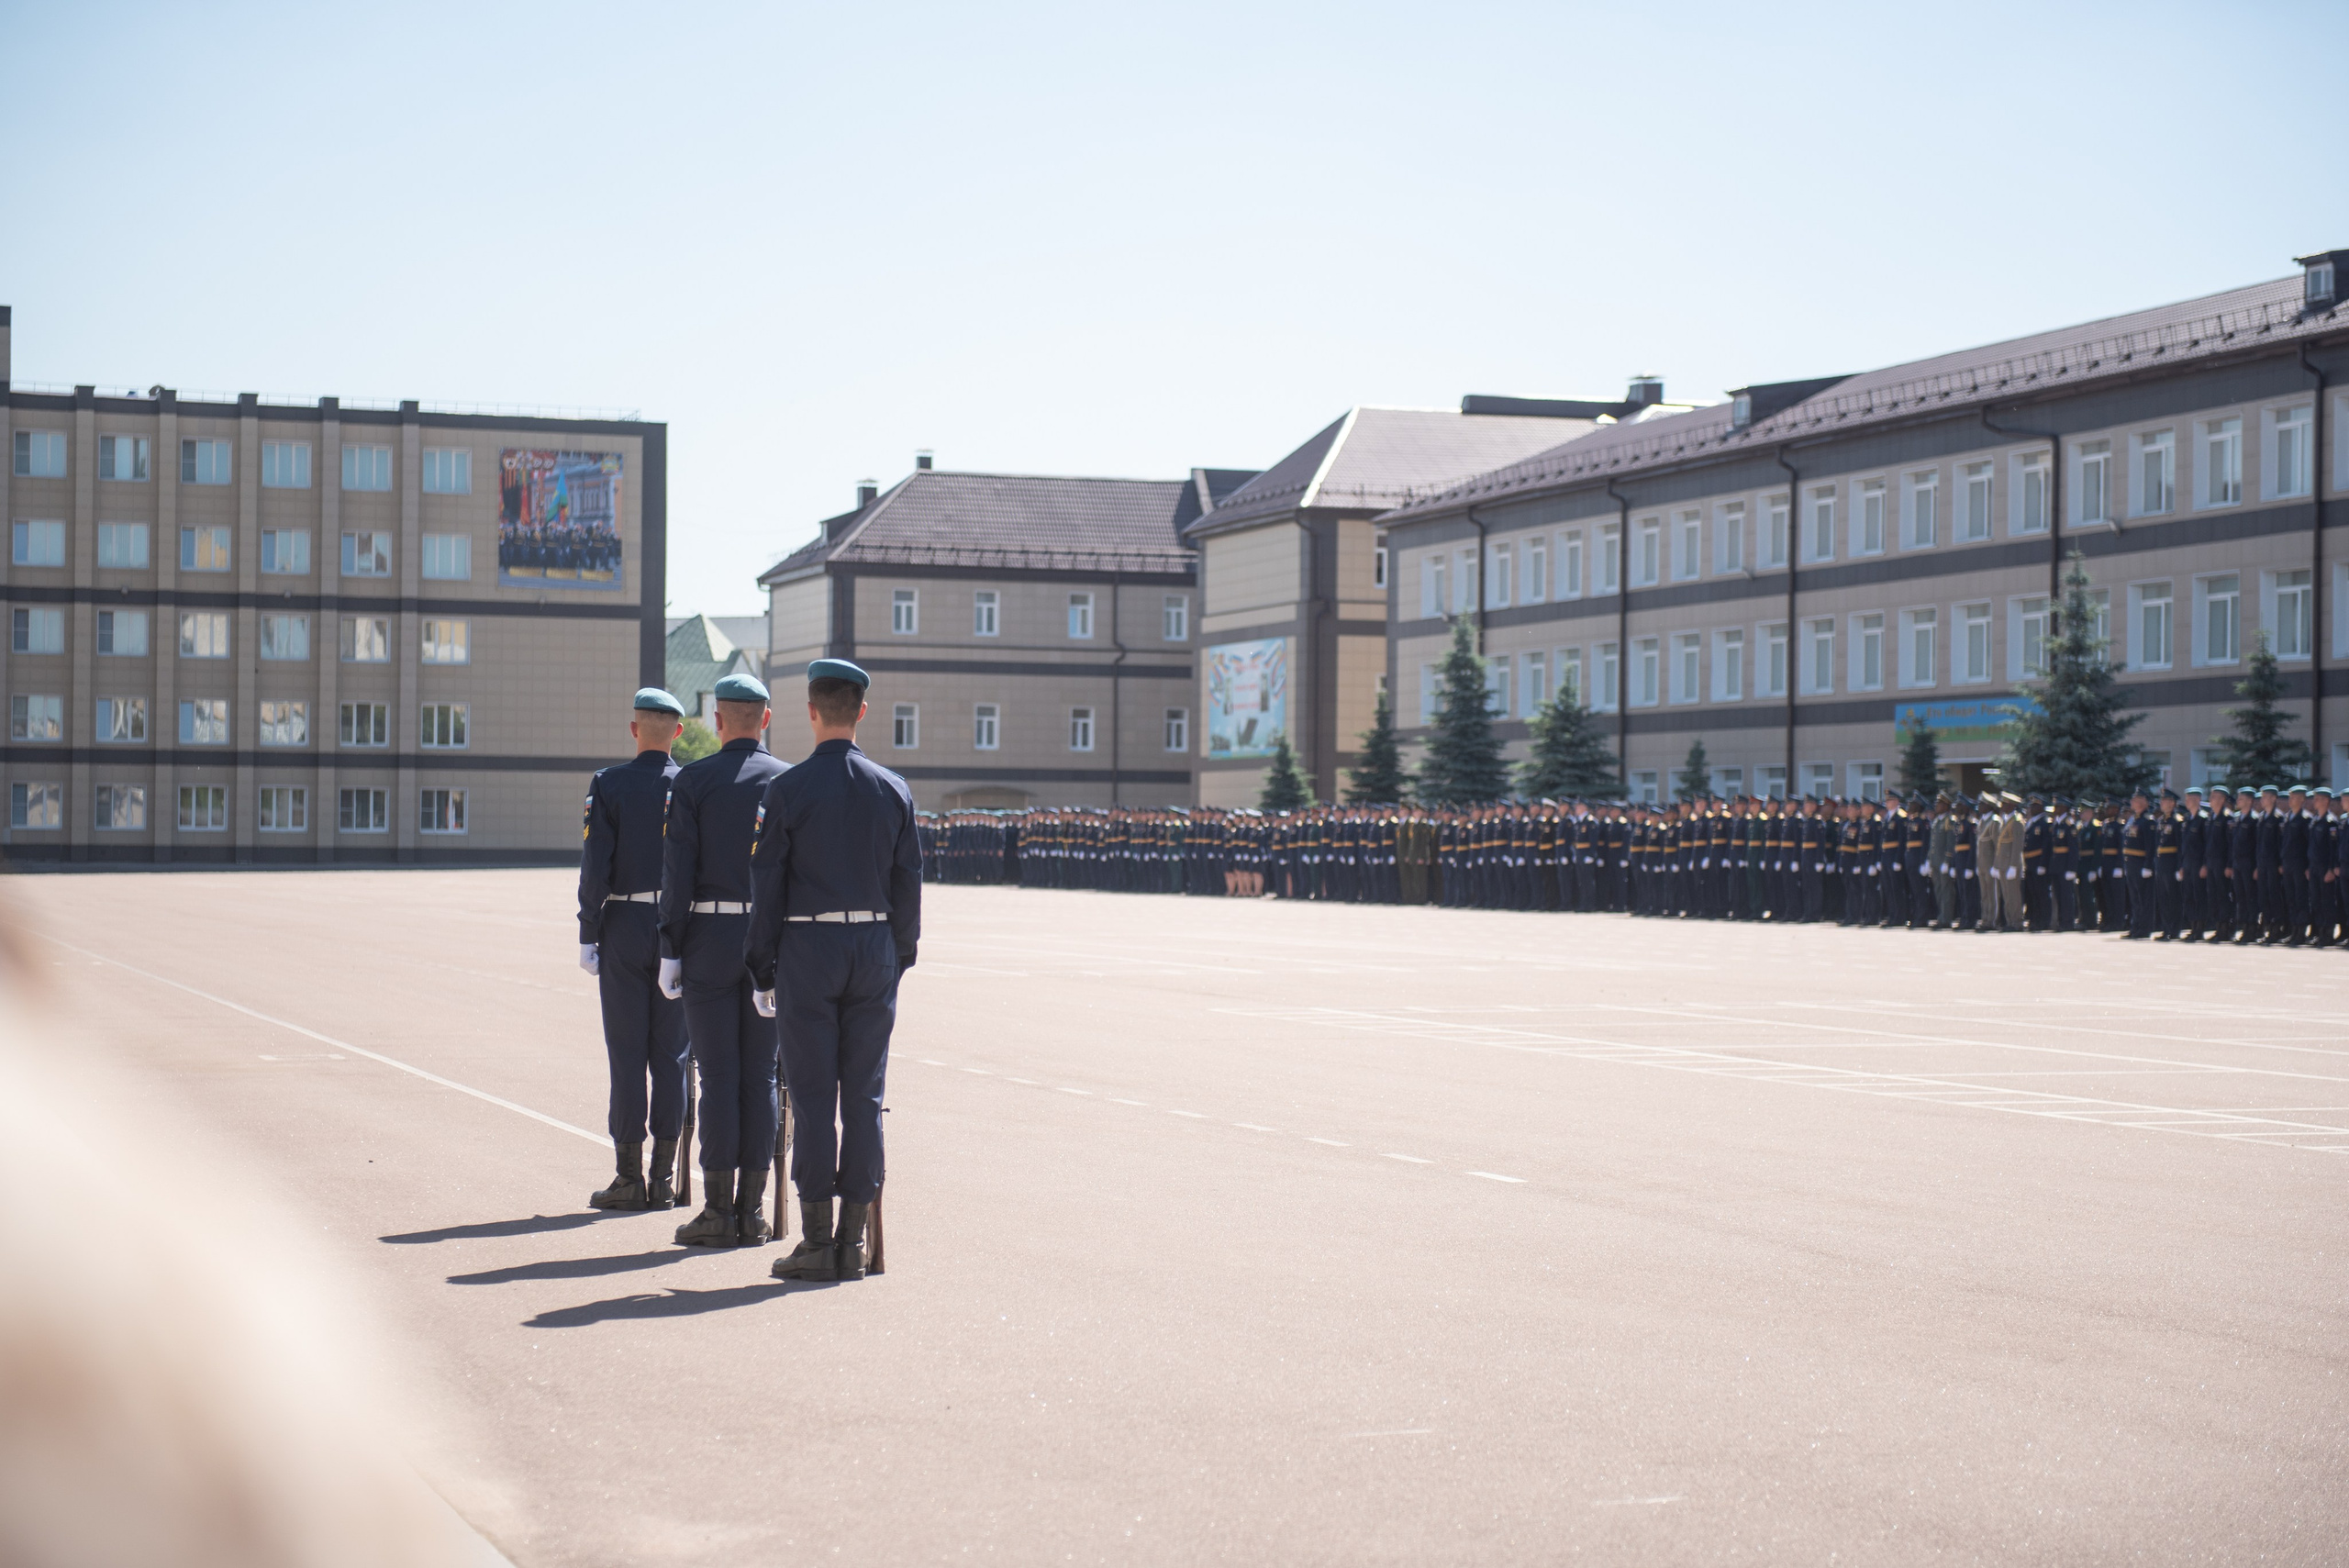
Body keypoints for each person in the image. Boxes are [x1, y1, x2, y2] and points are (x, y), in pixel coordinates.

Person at [747, 659, 923, 1284]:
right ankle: (852, 1241)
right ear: (862, 711)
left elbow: (767, 885)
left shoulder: (787, 789)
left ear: (811, 711)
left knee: (815, 1097)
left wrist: (761, 967)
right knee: (865, 1097)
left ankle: (817, 1240)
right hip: (873, 945)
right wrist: (897, 957)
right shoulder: (893, 789)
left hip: (809, 946)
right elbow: (908, 886)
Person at [659, 672, 790, 1248]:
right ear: (766, 719)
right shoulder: (788, 780)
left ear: (716, 720)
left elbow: (678, 873)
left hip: (709, 937)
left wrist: (670, 947)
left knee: (717, 1076)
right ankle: (752, 1211)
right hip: (770, 939)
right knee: (760, 1075)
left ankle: (717, 1211)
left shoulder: (693, 780)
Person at [575, 687, 690, 1211]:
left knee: (626, 1055)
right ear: (679, 732)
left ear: (633, 729)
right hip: (678, 927)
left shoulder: (610, 784)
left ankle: (629, 1177)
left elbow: (595, 865)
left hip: (623, 922)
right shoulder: (691, 785)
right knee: (671, 1056)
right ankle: (663, 1179)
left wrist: (588, 930)